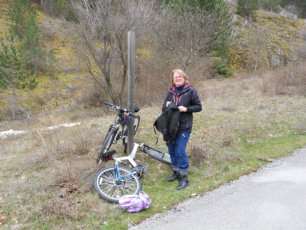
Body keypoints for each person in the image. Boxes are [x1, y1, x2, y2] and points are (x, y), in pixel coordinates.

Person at [162, 69, 202, 190]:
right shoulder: (170, 92)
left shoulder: (190, 91)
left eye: (179, 76)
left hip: (184, 127)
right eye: (175, 77)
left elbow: (198, 107)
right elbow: (163, 108)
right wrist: (167, 106)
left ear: (184, 78)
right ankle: (176, 172)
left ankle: (184, 177)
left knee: (180, 150)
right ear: (173, 80)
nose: (177, 78)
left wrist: (186, 109)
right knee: (172, 150)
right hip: (171, 127)